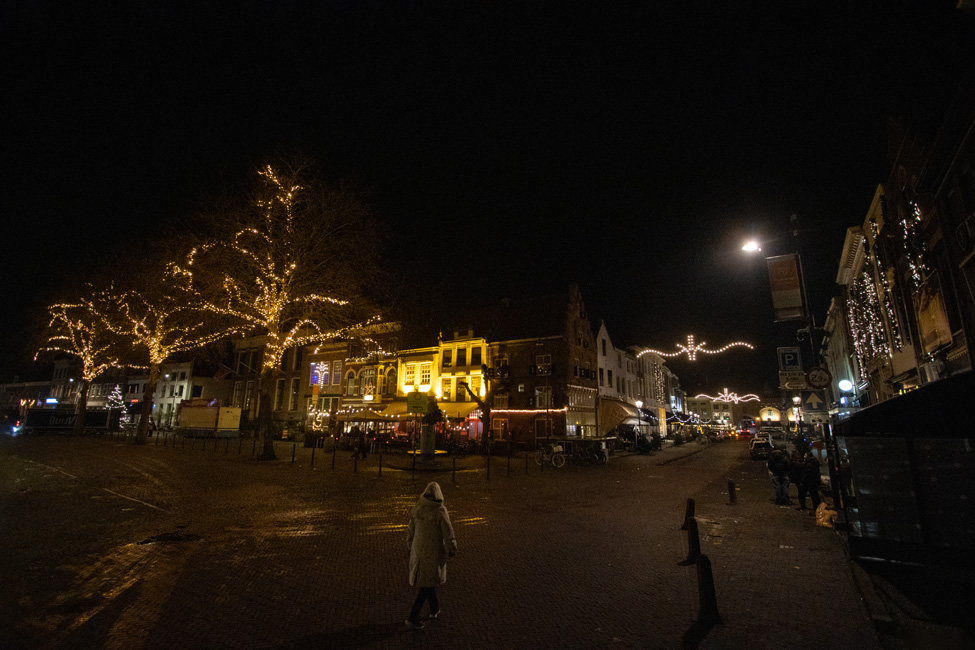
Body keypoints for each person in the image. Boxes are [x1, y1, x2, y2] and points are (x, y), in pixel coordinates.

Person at [406, 481, 457, 629]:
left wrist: (410, 546)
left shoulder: (417, 508)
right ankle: (413, 616)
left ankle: (435, 608)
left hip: (418, 551)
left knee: (428, 580)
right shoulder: (439, 511)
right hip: (433, 552)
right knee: (427, 583)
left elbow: (410, 530)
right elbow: (448, 532)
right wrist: (452, 549)